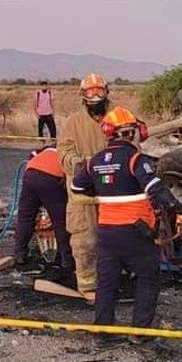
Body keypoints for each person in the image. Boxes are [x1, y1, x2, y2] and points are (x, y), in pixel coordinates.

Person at [70, 106, 182, 327]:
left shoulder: (94, 161)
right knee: (147, 278)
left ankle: (104, 330)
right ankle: (139, 332)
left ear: (108, 132)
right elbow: (155, 188)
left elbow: (76, 187)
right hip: (136, 232)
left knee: (106, 283)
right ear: (133, 132)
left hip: (107, 232)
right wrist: (180, 210)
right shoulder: (137, 159)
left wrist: (103, 190)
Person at [57, 73, 111, 299]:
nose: (95, 96)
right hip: (82, 194)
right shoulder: (73, 123)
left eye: (99, 91)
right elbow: (64, 152)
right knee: (85, 240)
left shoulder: (117, 117)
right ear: (83, 95)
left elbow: (131, 144)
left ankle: (112, 279)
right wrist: (77, 164)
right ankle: (88, 286)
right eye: (90, 92)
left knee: (115, 239)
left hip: (112, 192)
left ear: (107, 92)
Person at [12, 143, 72, 274]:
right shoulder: (71, 151)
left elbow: (32, 156)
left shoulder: (46, 149)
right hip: (52, 177)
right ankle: (66, 259)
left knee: (25, 218)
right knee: (61, 221)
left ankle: (20, 254)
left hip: (30, 174)